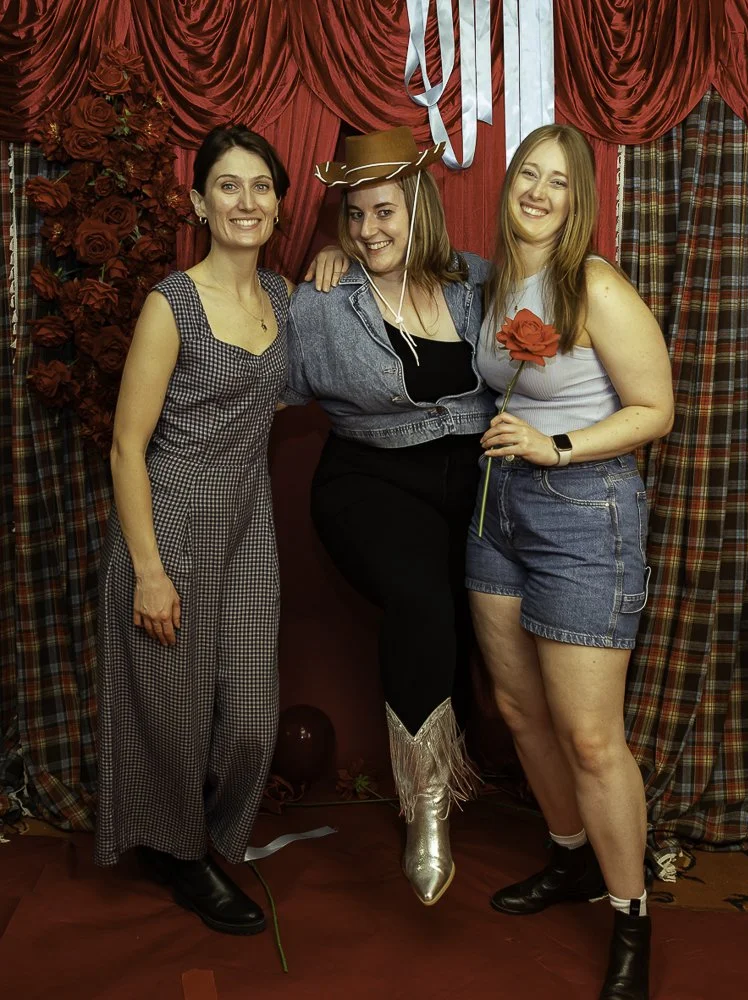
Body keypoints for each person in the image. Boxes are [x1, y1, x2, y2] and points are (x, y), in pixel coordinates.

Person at [466, 124, 673, 999]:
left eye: (559, 181)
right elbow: (396, 254)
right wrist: (329, 249)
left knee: (591, 736)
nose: (540, 192)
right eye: (527, 175)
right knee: (519, 710)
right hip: (497, 507)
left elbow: (655, 408)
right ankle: (570, 860)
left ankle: (632, 917)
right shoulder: (494, 279)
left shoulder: (595, 286)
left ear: (580, 198)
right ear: (509, 185)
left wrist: (556, 444)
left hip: (585, 512)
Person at [283, 126, 496, 905]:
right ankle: (426, 806)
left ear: (419, 210)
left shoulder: (479, 282)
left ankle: (503, 784)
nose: (368, 231)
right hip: (367, 480)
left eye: (384, 213)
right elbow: (257, 369)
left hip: (468, 484)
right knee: (420, 600)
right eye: (355, 215)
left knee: (473, 628)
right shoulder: (325, 299)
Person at [94, 124, 292, 936]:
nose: (246, 201)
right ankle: (179, 856)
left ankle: (203, 834)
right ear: (199, 202)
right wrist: (147, 568)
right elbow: (125, 446)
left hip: (249, 527)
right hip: (168, 524)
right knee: (170, 711)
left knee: (250, 716)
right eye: (228, 186)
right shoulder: (170, 304)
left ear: (278, 204)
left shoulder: (282, 298)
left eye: (260, 186)